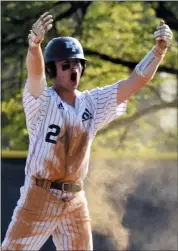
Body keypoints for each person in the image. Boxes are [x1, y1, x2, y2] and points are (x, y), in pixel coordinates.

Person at [2, 12, 173, 251]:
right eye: (66, 65)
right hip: (39, 196)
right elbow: (35, 74)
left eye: (77, 64)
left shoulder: (92, 102)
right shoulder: (41, 101)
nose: (74, 70)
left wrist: (158, 52)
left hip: (74, 200)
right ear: (53, 69)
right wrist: (34, 47)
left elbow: (135, 81)